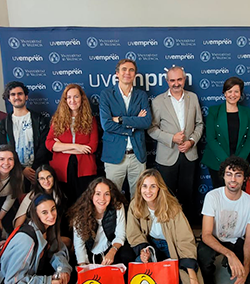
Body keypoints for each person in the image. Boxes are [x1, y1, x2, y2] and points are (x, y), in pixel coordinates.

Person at [127, 169, 214, 284]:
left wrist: (192, 279)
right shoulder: (134, 205)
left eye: (153, 186)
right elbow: (134, 233)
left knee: (184, 276)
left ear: (160, 188)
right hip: (151, 245)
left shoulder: (172, 208)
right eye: (144, 186)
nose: (148, 191)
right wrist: (144, 250)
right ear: (139, 188)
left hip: (172, 245)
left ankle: (200, 282)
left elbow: (184, 241)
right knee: (141, 265)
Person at [197, 156, 250, 284]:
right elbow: (206, 235)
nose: (233, 179)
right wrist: (229, 254)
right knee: (203, 254)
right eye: (229, 174)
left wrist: (245, 268)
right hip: (215, 238)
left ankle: (231, 262)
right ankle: (209, 275)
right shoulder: (212, 196)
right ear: (223, 176)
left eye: (238, 175)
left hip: (236, 240)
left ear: (245, 178)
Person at [148, 66, 204, 222]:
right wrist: (171, 138)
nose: (176, 83)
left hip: (189, 154)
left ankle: (187, 229)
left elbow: (199, 124)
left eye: (179, 79)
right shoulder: (158, 101)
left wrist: (191, 141)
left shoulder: (192, 98)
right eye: (172, 80)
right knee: (167, 195)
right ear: (167, 81)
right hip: (167, 156)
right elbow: (151, 129)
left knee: (188, 194)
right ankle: (169, 228)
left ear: (184, 79)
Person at [99, 59, 152, 196]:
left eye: (131, 70)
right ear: (117, 73)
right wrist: (134, 124)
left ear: (135, 74)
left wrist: (122, 119)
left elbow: (146, 122)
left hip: (137, 156)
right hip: (114, 156)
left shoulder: (141, 95)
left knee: (139, 198)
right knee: (112, 198)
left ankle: (135, 219)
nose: (127, 73)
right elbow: (107, 125)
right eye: (124, 69)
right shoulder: (106, 95)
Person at [46, 84, 98, 207]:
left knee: (84, 204)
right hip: (62, 170)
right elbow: (49, 144)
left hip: (85, 169)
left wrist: (62, 147)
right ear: (65, 100)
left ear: (82, 99)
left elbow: (92, 147)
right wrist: (77, 147)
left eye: (76, 97)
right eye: (69, 97)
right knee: (65, 204)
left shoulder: (91, 120)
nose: (72, 100)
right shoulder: (57, 120)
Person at [201, 76, 250, 189]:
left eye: (236, 91)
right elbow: (211, 138)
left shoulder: (247, 112)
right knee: (219, 193)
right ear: (224, 93)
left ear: (240, 94)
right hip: (218, 161)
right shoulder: (214, 111)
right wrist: (227, 162)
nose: (233, 94)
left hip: (240, 161)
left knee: (239, 194)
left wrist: (238, 162)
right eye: (229, 91)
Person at [69, 177, 136, 266]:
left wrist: (112, 251)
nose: (102, 198)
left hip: (110, 248)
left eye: (107, 194)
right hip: (90, 252)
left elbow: (121, 234)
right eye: (98, 194)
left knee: (126, 254)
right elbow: (79, 244)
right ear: (91, 195)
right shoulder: (80, 214)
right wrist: (83, 265)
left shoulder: (118, 207)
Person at [0, 81, 51, 189]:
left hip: (38, 171)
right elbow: (3, 149)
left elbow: (44, 145)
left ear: (26, 97)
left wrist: (33, 169)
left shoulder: (39, 119)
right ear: (9, 98)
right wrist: (22, 169)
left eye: (20, 94)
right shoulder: (4, 124)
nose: (17, 97)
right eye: (13, 94)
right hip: (14, 172)